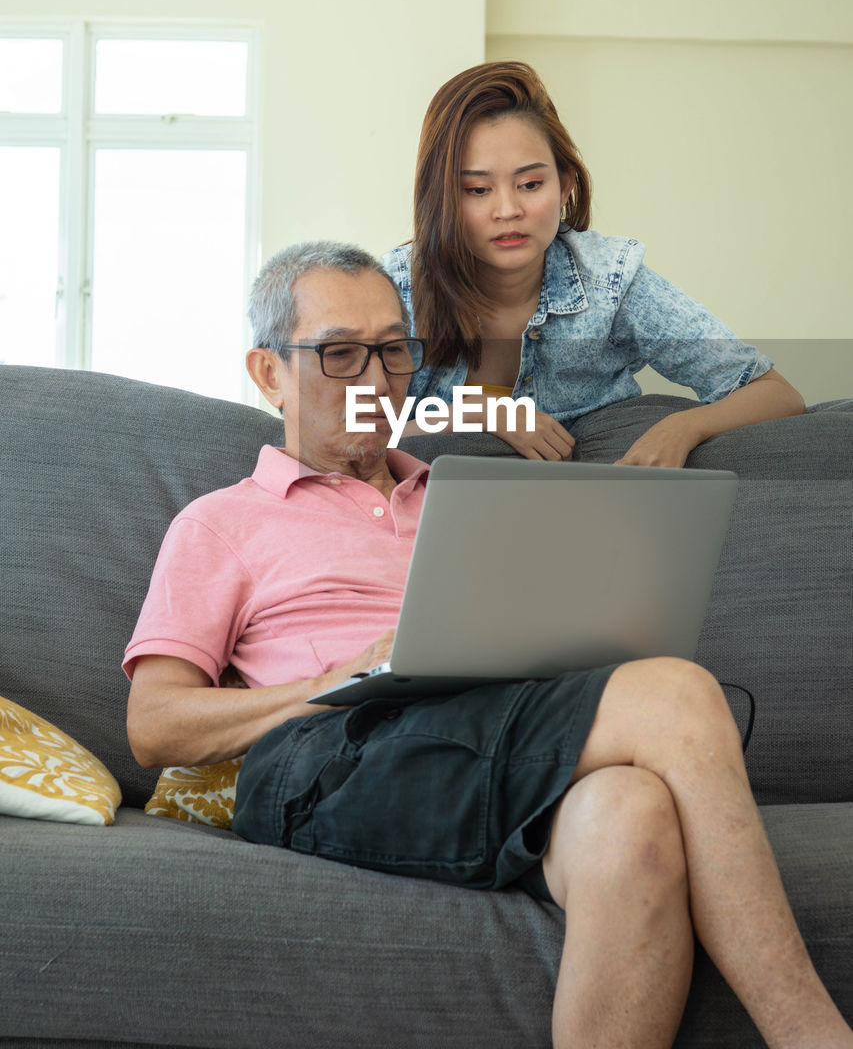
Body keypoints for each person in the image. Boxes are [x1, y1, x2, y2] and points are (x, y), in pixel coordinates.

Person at [124, 242, 851, 1049]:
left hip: (486, 730)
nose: (373, 380)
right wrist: (341, 676)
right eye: (338, 354)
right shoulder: (222, 522)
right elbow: (154, 726)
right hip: (329, 755)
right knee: (676, 694)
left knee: (630, 817)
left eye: (392, 350)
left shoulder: (468, 498)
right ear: (268, 374)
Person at [382, 61, 805, 463]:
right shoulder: (391, 289)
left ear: (565, 184)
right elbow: (343, 426)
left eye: (530, 184)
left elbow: (775, 392)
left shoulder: (609, 281)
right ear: (442, 197)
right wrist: (483, 414)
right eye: (477, 190)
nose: (508, 209)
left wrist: (683, 427)